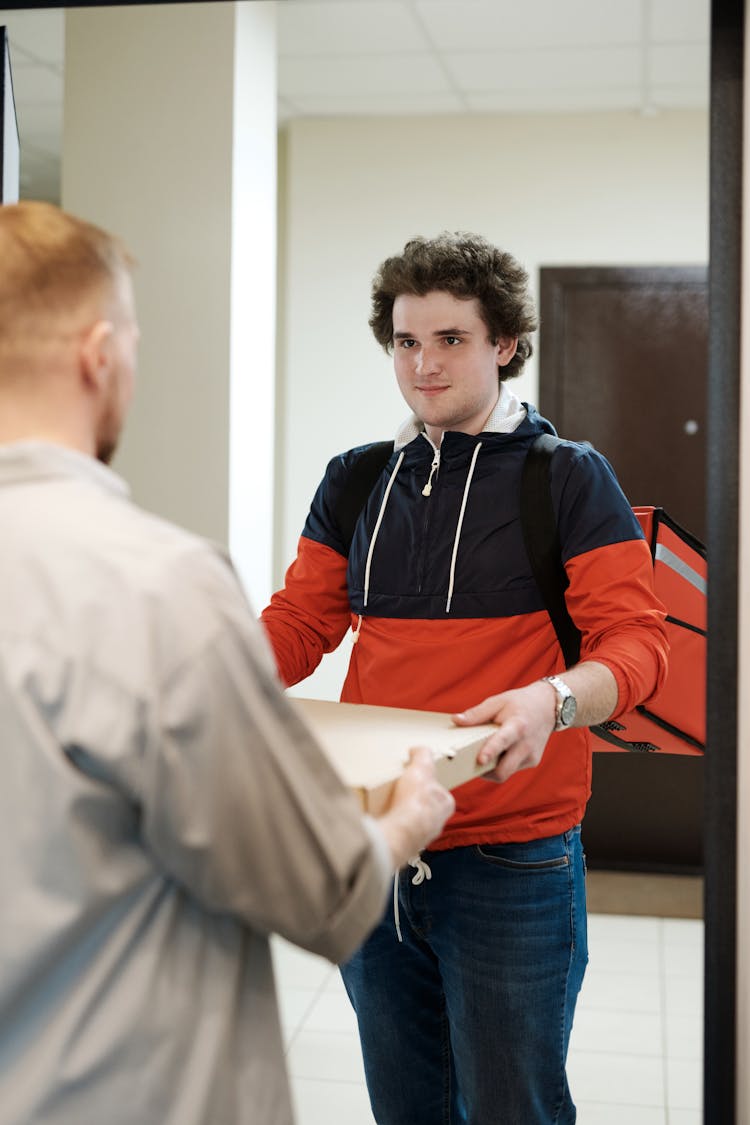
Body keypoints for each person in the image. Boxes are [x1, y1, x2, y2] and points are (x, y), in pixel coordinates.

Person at [0, 202, 455, 1125]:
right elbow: (315, 889)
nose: (424, 362)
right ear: (99, 355)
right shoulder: (157, 583)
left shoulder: (564, 475)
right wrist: (404, 821)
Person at [261, 231, 670, 1124]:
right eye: (408, 341)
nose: (425, 365)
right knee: (405, 1105)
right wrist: (219, 671)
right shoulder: (358, 478)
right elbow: (302, 622)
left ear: (505, 344)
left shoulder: (568, 478)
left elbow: (638, 647)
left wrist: (553, 699)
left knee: (510, 1106)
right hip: (378, 840)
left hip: (511, 855)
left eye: (451, 339)